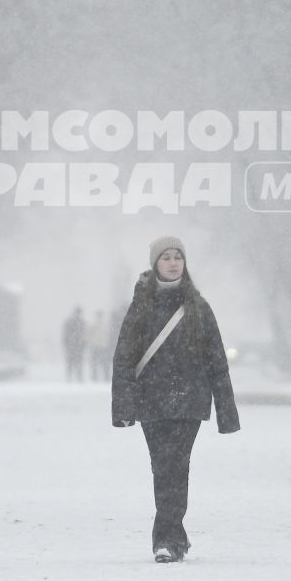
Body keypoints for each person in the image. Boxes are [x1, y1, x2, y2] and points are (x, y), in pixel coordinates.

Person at [111, 236, 240, 562]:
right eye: (166, 257)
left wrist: (227, 413)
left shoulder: (198, 306)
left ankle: (166, 540)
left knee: (176, 467)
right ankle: (173, 537)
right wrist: (123, 408)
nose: (172, 263)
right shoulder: (141, 306)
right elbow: (124, 357)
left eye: (177, 257)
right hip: (152, 401)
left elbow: (216, 361)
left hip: (188, 401)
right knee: (162, 468)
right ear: (155, 263)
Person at [63, 305, 87, 383]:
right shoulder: (80, 322)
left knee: (74, 362)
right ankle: (74, 377)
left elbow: (66, 334)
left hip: (75, 345)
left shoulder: (71, 321)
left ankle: (73, 377)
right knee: (75, 362)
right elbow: (66, 334)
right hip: (75, 345)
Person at [87, 309, 112, 383]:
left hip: (96, 346)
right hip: (103, 346)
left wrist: (90, 343)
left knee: (95, 363)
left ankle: (95, 377)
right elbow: (108, 335)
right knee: (104, 363)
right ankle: (106, 377)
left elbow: (89, 335)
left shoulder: (93, 325)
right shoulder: (105, 325)